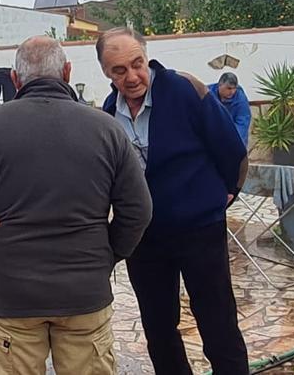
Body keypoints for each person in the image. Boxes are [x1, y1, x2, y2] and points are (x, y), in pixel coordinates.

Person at [0, 36, 153, 375]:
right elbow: (139, 209)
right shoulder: (107, 129)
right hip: (84, 292)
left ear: (15, 79)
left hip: (13, 294)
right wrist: (108, 254)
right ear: (67, 72)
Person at [96, 27, 250, 375]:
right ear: (106, 72)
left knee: (217, 322)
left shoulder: (185, 90)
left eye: (137, 64)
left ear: (146, 56)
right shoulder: (108, 112)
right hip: (145, 239)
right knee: (158, 327)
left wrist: (222, 196)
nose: (132, 76)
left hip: (200, 230)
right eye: (119, 70)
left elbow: (231, 150)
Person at [209, 72, 251, 146]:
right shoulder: (207, 93)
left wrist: (234, 143)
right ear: (220, 85)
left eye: (235, 88)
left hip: (234, 138)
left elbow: (242, 123)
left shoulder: (241, 99)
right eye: (229, 88)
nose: (232, 92)